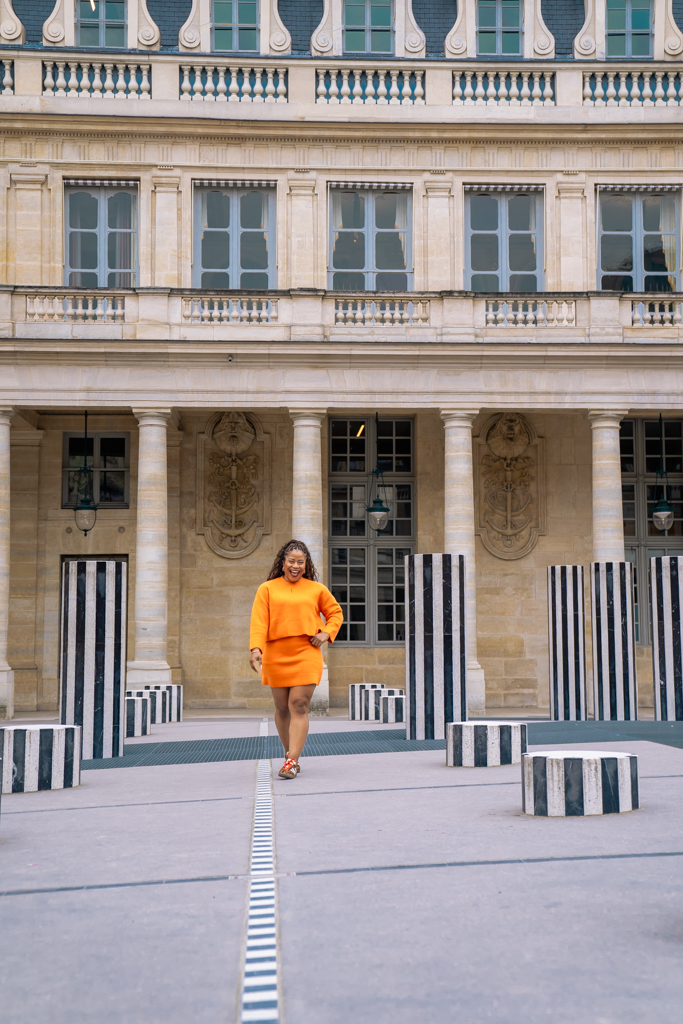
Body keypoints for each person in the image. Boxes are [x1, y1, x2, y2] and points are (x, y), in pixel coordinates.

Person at [249, 540, 343, 779]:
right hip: (276, 654)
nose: (296, 566)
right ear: (283, 564)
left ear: (306, 565)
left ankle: (292, 761)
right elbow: (259, 621)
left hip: (306, 652)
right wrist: (256, 649)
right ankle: (289, 752)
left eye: (300, 562)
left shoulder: (316, 589)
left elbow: (335, 612)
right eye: (291, 561)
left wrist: (326, 633)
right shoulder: (267, 589)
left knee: (299, 704)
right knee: (282, 708)